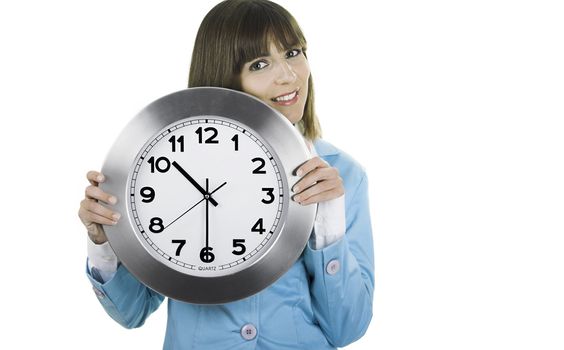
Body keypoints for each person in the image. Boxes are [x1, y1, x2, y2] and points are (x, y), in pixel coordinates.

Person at [78, 0, 374, 349]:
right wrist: (105, 243)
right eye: (260, 63)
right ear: (225, 78)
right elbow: (132, 312)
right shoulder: (156, 168)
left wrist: (328, 225)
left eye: (294, 52)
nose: (288, 75)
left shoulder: (343, 175)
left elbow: (347, 328)